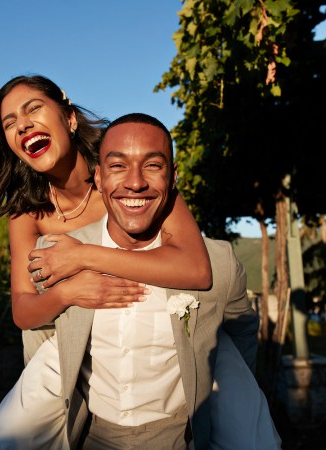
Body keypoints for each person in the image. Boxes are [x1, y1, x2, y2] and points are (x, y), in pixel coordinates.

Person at [0, 75, 211, 446]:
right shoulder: (26, 213)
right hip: (68, 345)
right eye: (11, 123)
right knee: (7, 437)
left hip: (151, 334)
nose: (24, 124)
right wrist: (69, 293)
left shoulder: (125, 175)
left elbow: (196, 268)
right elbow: (23, 311)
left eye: (33, 109)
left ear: (69, 118)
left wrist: (82, 256)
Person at [19, 114, 281, 450]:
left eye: (153, 166)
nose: (135, 183)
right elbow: (39, 336)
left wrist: (226, 404)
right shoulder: (56, 255)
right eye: (118, 166)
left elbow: (240, 332)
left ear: (173, 178)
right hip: (86, 438)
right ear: (98, 178)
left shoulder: (219, 265)